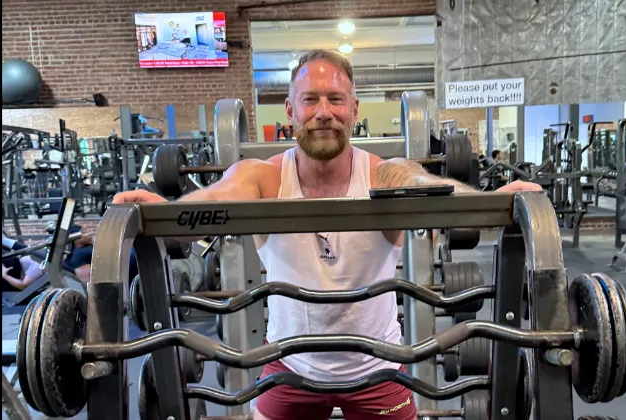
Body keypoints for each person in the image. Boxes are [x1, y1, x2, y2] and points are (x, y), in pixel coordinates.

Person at [112, 49, 542, 420]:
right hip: (288, 365)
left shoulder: (382, 173)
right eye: (310, 100)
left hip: (380, 368)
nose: (323, 112)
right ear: (290, 110)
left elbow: (429, 190)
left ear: (354, 109)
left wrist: (495, 202)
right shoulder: (262, 178)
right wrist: (170, 212)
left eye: (336, 100)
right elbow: (221, 196)